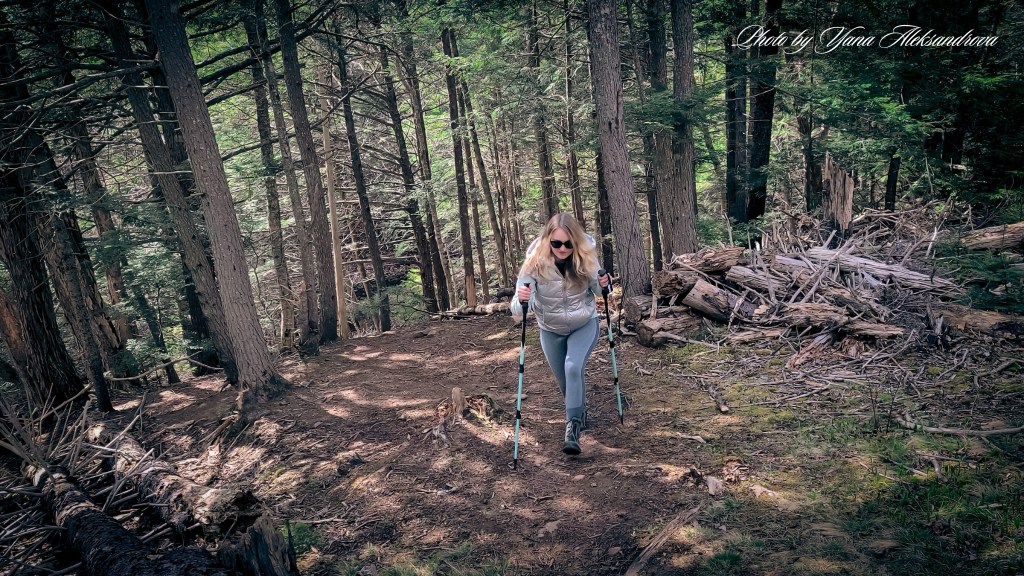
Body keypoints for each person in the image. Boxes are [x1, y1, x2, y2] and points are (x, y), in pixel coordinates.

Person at [510, 213, 610, 455]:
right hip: (550, 329)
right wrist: (521, 301)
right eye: (556, 243)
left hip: (583, 324)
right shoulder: (533, 263)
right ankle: (578, 412)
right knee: (565, 381)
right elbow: (517, 310)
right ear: (548, 241)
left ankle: (572, 428)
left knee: (573, 367)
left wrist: (604, 284)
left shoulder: (586, 257)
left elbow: (600, 291)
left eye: (568, 243)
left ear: (575, 242)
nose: (562, 248)